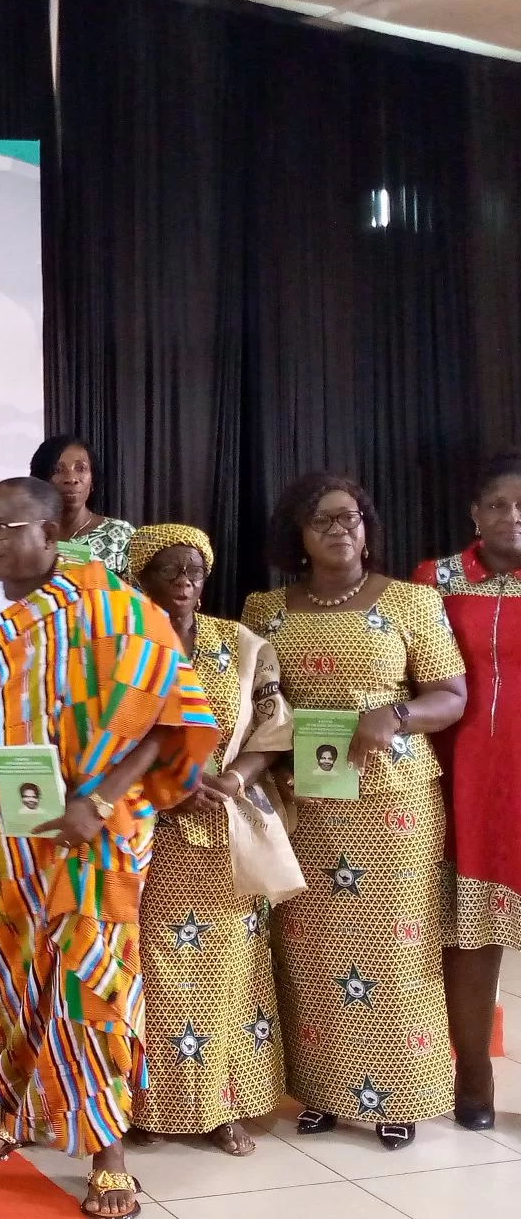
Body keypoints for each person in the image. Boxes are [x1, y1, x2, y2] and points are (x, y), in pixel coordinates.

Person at [0, 479, 218, 1219]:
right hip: (8, 832)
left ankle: (108, 1154)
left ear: (49, 532)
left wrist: (96, 801)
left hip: (94, 834)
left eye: (2, 527)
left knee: (91, 980)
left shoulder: (118, 610)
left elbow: (173, 714)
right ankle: (14, 1112)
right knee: (13, 975)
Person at [243, 472, 467, 1150]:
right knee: (309, 952)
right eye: (321, 520)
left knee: (395, 951)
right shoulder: (264, 609)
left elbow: (451, 696)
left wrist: (395, 714)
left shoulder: (412, 602)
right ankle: (321, 1091)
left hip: (392, 805)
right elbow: (252, 700)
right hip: (304, 799)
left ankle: (398, 1093)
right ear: (298, 536)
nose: (339, 529)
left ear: (367, 528)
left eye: (350, 517)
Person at [126, 525, 291, 1157]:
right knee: (156, 971)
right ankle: (147, 1105)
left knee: (227, 969)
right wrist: (169, 787)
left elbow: (273, 727)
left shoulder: (240, 642)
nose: (185, 582)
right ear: (142, 578)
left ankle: (224, 1106)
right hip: (150, 828)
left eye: (195, 571)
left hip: (225, 823)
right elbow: (106, 735)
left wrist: (233, 778)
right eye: (170, 570)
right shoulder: (125, 646)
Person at [412, 451, 521, 1131]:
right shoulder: (436, 579)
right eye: (500, 504)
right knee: (468, 931)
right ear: (476, 514)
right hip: (466, 774)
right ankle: (473, 1076)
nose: (514, 516)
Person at [29, 435, 134, 574]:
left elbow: (137, 588)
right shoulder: (29, 534)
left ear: (92, 481)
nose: (71, 479)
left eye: (80, 468)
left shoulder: (120, 535)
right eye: (57, 470)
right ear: (41, 480)